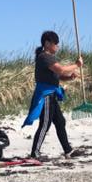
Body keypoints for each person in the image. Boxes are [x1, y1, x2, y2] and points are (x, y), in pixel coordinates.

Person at [23, 31, 83, 160]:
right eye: (56, 44)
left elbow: (58, 76)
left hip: (52, 94)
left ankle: (68, 150)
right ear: (47, 43)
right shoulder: (44, 57)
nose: (57, 46)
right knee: (45, 124)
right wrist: (76, 65)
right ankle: (35, 153)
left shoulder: (49, 57)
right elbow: (60, 69)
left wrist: (70, 77)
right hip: (46, 95)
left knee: (60, 122)